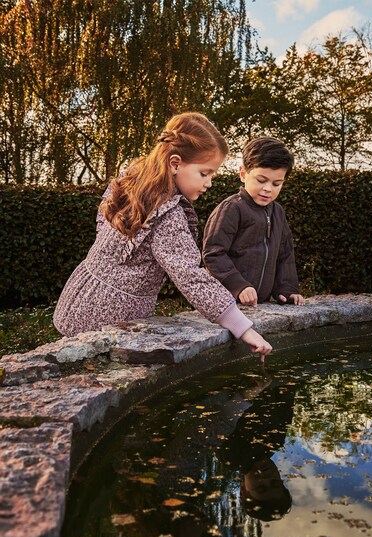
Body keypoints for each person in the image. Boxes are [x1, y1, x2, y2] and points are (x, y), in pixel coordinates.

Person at [53, 112, 272, 360]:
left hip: (80, 295)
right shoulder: (168, 214)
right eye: (205, 173)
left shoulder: (132, 178)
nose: (209, 183)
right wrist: (244, 328)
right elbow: (191, 277)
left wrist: (110, 258)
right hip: (113, 317)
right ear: (175, 163)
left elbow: (103, 218)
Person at [202, 136, 305, 307]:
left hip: (259, 304)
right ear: (243, 173)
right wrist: (239, 287)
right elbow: (213, 254)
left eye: (276, 183)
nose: (267, 189)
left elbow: (285, 255)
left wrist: (287, 290)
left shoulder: (278, 212)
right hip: (225, 305)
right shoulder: (231, 209)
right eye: (261, 180)